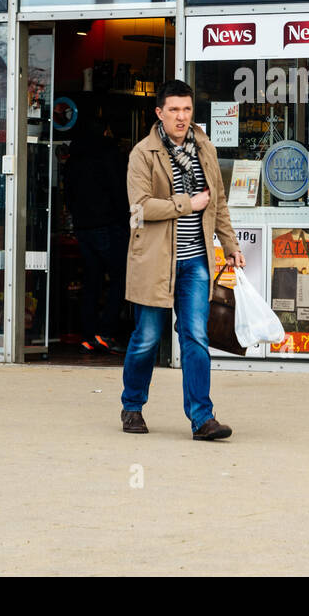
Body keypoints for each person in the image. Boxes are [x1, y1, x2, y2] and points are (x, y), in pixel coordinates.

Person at [121, 80, 244, 440]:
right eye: (174, 110)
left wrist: (231, 244)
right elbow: (139, 207)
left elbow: (217, 202)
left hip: (196, 263)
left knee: (195, 337)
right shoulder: (143, 154)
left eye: (187, 110)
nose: (181, 117)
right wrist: (185, 204)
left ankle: (202, 418)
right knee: (146, 339)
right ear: (159, 112)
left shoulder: (204, 147)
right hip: (155, 261)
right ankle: (132, 406)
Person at [66, 116, 129, 353]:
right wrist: (126, 222)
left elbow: (69, 194)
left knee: (91, 281)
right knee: (120, 279)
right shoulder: (110, 154)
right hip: (108, 224)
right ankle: (106, 332)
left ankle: (88, 334)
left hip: (83, 227)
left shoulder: (75, 156)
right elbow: (119, 191)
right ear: (105, 131)